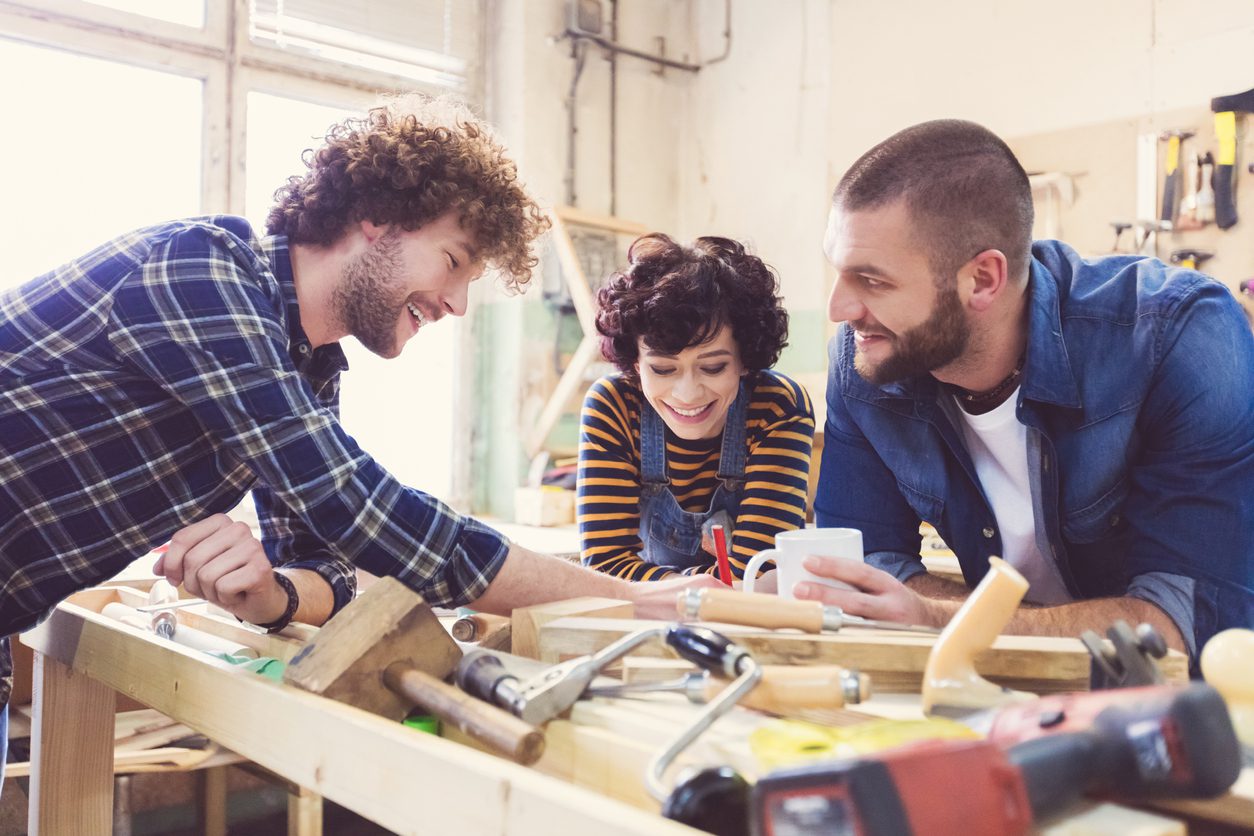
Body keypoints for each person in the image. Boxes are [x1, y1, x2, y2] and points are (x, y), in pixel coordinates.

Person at [0, 94, 717, 777]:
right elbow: (357, 507)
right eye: (454, 261)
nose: (457, 304)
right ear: (377, 219)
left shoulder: (306, 370)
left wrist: (274, 595)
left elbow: (328, 561)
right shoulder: (200, 268)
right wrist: (639, 601)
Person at [798, 119, 1253, 662]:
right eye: (838, 272)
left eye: (872, 280)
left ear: (983, 280)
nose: (838, 309)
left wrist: (937, 616)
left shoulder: (1178, 337)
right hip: (994, 683)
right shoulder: (867, 363)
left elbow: (1185, 627)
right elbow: (861, 575)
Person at [577, 233, 814, 580]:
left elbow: (759, 572)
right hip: (650, 614)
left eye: (713, 367)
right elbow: (605, 567)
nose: (687, 395)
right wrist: (700, 590)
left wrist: (662, 588)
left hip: (742, 611)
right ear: (636, 364)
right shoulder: (614, 407)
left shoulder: (777, 408)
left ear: (745, 359)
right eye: (662, 369)